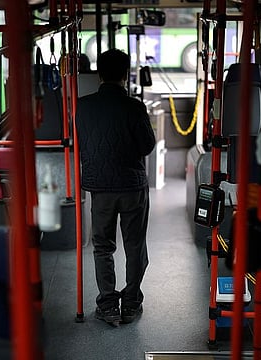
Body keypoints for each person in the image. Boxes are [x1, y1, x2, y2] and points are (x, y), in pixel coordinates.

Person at [75, 48, 156, 326]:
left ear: (99, 73)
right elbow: (146, 146)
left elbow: (80, 144)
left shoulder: (83, 106)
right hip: (132, 186)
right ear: (125, 74)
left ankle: (108, 304)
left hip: (100, 188)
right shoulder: (134, 107)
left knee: (102, 246)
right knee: (134, 246)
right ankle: (131, 302)